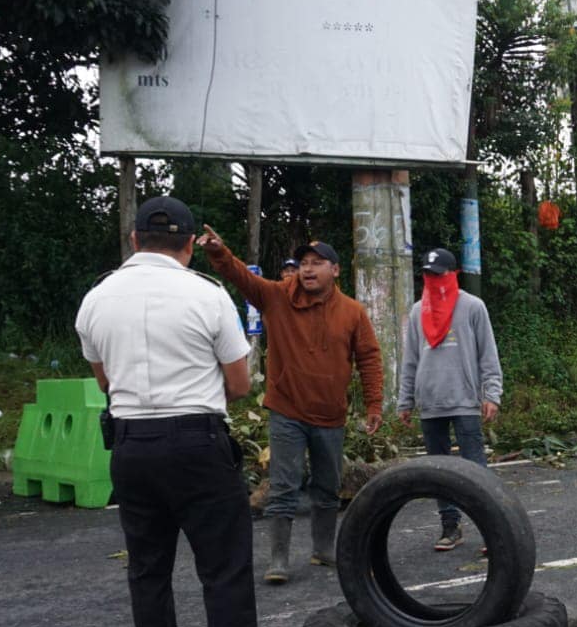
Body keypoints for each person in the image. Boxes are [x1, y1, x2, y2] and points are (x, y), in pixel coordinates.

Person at [75, 196, 289, 627]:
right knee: (225, 571)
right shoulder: (208, 295)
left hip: (131, 448)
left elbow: (105, 382)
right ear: (191, 245)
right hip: (196, 444)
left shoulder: (96, 300)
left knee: (149, 574)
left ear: (133, 240)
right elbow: (238, 384)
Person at [198, 229, 384, 584]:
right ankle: (279, 559)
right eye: (303, 264)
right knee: (284, 485)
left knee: (328, 485)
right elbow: (242, 278)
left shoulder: (353, 312)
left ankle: (323, 549)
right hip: (288, 410)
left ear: (336, 270)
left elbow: (369, 359)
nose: (308, 270)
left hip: (331, 413)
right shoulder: (277, 297)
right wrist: (220, 253)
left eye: (317, 264)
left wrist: (374, 403)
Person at [396, 247, 504, 553]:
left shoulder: (473, 307)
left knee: (476, 468)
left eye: (439, 274)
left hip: (465, 399)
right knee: (439, 471)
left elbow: (488, 354)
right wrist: (406, 401)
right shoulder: (419, 311)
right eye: (428, 274)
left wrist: (491, 394)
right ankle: (450, 526)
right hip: (430, 402)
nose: (433, 279)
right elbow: (410, 361)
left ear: (452, 274)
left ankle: (492, 529)